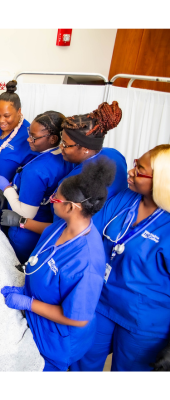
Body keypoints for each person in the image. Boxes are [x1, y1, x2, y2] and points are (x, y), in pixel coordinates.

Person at [1, 158, 115, 371]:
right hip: (36, 322)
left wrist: (28, 303)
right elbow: (45, 252)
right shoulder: (60, 227)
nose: (51, 200)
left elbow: (78, 319)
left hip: (57, 341)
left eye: (55, 199)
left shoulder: (86, 262)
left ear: (71, 207)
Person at [72, 145, 170, 371]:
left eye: (140, 170)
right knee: (83, 362)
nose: (131, 172)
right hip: (101, 301)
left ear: (162, 181)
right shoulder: (126, 198)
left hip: (144, 320)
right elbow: (89, 232)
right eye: (136, 164)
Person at [2, 101, 128, 237]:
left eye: (66, 145)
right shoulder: (115, 155)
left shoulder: (73, 182)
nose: (61, 147)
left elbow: (63, 230)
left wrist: (22, 221)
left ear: (85, 148)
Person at [0, 111, 74, 263]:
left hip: (25, 236)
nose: (28, 139)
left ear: (53, 138)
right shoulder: (65, 156)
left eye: (33, 137)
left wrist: (7, 188)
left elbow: (26, 213)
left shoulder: (36, 170)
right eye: (29, 133)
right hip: (44, 231)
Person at [0, 80, 38, 182]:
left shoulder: (28, 136)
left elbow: (31, 173)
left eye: (7, 116)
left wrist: (9, 190)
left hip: (3, 192)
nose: (1, 120)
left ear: (19, 111)